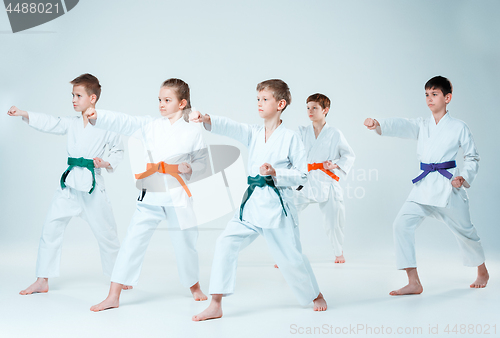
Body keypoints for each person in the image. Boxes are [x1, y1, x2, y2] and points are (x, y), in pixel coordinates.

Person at [190, 79, 327, 321]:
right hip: (251, 206)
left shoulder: (291, 138)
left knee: (292, 258)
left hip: (277, 209)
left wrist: (276, 173)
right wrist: (207, 118)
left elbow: (303, 175)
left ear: (281, 104)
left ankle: (315, 294)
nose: (260, 104)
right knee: (224, 243)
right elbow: (231, 127)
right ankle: (216, 303)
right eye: (258, 99)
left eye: (265, 99)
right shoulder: (254, 132)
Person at [87, 78, 209, 312]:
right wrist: (98, 115)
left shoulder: (193, 131)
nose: (161, 104)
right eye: (160, 100)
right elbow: (124, 121)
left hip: (177, 195)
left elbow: (202, 163)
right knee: (132, 241)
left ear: (182, 103)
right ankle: (113, 295)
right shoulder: (150, 125)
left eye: (167, 100)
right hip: (151, 192)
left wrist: (190, 168)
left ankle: (194, 285)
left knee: (186, 243)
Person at [364, 75, 489, 296]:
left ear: (447, 97)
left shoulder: (459, 127)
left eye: (434, 94)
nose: (429, 99)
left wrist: (464, 177)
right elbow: (402, 125)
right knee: (401, 224)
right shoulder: (422, 125)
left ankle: (482, 271)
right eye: (426, 95)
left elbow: (473, 157)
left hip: (449, 187)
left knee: (465, 232)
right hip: (423, 186)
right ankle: (414, 281)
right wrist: (378, 124)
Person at [7, 73, 125, 295]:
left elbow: (118, 150)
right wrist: (24, 113)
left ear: (92, 98)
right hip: (70, 185)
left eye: (78, 95)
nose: (73, 99)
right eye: (72, 95)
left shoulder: (107, 123)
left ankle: (119, 276)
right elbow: (51, 122)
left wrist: (105, 162)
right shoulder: (71, 123)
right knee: (51, 228)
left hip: (91, 186)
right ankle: (42, 279)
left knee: (107, 233)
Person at [294, 93, 355, 264]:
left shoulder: (334, 133)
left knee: (334, 220)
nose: (310, 111)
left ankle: (338, 252)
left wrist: (334, 165)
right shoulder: (302, 132)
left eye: (315, 107)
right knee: (288, 215)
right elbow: (291, 152)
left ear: (325, 110)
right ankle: (289, 253)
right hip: (304, 181)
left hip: (326, 181)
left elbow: (349, 155)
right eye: (308, 107)